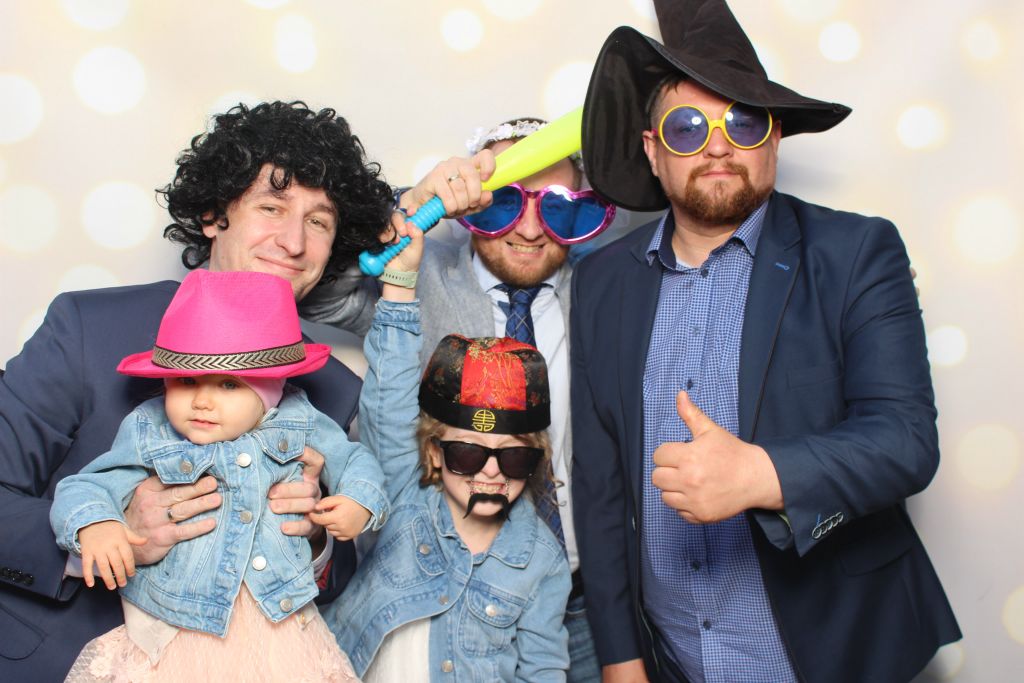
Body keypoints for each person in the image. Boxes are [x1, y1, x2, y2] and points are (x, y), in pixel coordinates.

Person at [569, 2, 961, 682]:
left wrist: (761, 475)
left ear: (773, 140)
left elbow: (905, 440)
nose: (717, 146)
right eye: (687, 128)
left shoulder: (856, 252)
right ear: (653, 152)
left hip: (838, 653)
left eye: (743, 122)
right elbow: (599, 484)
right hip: (673, 661)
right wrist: (621, 658)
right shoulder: (602, 281)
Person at [0, 100, 395, 681]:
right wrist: (110, 535)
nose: (293, 242)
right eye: (271, 207)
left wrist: (312, 534)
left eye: (318, 221)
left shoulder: (332, 387)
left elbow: (337, 578)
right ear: (213, 215)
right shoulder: (87, 327)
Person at [301, 117, 616, 682]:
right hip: (436, 592)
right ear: (471, 202)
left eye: (555, 206)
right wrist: (410, 206)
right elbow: (312, 292)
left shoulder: (606, 287)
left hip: (585, 597)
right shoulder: (420, 273)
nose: (529, 229)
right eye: (505, 203)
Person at [50, 269, 387, 681]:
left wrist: (358, 500)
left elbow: (353, 460)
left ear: (270, 391)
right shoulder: (150, 429)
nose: (202, 401)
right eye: (186, 380)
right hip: (178, 628)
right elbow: (88, 485)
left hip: (280, 627)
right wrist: (96, 524)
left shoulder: (300, 420)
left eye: (228, 385)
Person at [319, 220, 571, 681]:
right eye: (468, 455)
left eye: (514, 457)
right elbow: (388, 400)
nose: (491, 473)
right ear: (434, 453)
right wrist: (399, 285)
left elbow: (544, 669)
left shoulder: (542, 561)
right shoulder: (399, 498)